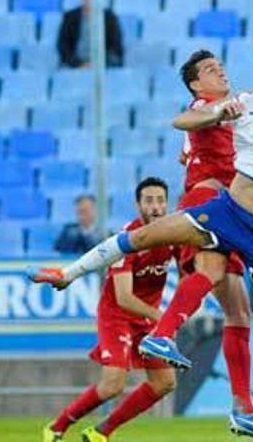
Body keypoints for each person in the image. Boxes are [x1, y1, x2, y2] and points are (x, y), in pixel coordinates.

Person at [29, 52, 253, 442]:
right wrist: (220, 113)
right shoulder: (237, 104)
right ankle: (138, 319)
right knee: (169, 250)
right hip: (221, 208)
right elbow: (184, 120)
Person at [172, 50, 253, 440]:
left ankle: (243, 407)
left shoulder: (230, 110)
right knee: (212, 271)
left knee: (238, 312)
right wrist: (217, 113)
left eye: (220, 65)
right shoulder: (208, 105)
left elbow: (185, 150)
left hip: (229, 209)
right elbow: (185, 121)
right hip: (207, 203)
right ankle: (164, 332)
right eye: (208, 69)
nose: (219, 70)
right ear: (194, 85)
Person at [42, 178, 177, 442]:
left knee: (164, 382)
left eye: (161, 200)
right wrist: (164, 318)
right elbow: (124, 297)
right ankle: (56, 427)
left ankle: (100, 432)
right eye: (149, 200)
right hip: (117, 315)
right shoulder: (126, 240)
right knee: (113, 384)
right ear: (139, 205)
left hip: (146, 318)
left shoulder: (173, 236)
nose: (156, 206)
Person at [57, 0, 123, 68]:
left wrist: (98, 64)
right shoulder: (70, 17)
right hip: (76, 65)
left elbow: (116, 45)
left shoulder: (109, 18)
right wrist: (78, 64)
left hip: (103, 66)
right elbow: (62, 45)